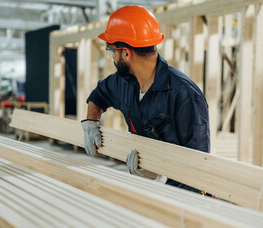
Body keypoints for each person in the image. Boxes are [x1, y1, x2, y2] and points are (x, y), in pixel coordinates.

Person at [81, 5, 210, 193]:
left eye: (112, 50)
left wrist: (160, 176)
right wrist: (91, 123)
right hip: (144, 189)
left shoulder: (185, 95)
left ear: (126, 52)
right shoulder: (123, 82)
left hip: (182, 201)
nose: (112, 57)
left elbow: (199, 166)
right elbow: (99, 95)